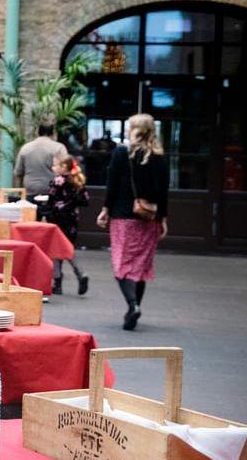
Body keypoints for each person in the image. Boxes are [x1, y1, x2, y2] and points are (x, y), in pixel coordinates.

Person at [96, 113, 169, 330]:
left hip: (123, 217)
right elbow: (163, 191)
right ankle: (134, 306)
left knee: (122, 264)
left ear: (133, 129)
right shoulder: (159, 156)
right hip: (149, 219)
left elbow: (112, 184)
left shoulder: (121, 152)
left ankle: (132, 304)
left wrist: (105, 209)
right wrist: (163, 218)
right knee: (140, 266)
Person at [40, 153, 90, 296]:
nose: (53, 167)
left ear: (63, 167)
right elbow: (85, 200)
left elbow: (51, 199)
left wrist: (45, 209)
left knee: (56, 249)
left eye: (55, 165)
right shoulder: (76, 181)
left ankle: (58, 281)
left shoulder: (58, 181)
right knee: (68, 248)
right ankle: (80, 273)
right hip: (72, 220)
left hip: (58, 219)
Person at [15, 121, 69, 198]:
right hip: (52, 192)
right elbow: (67, 170)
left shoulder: (25, 148)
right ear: (53, 133)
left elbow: (18, 172)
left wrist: (20, 193)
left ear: (37, 132)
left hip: (30, 191)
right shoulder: (59, 148)